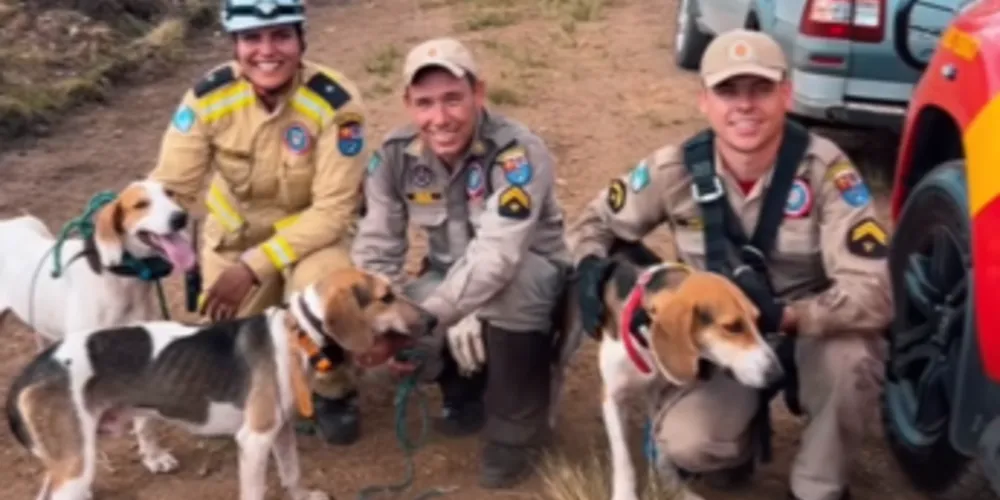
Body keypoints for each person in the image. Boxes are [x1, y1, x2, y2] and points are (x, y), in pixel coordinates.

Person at [567, 29, 892, 500]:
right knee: (689, 443)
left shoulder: (826, 172)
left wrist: (791, 317)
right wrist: (591, 267)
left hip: (808, 333)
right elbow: (591, 222)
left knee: (852, 359)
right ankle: (737, 444)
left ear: (786, 94)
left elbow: (876, 289)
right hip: (719, 341)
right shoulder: (673, 170)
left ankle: (817, 486)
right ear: (704, 101)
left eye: (760, 89)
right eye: (727, 91)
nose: (744, 105)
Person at [350, 37, 573, 489]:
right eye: (425, 103)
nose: (441, 118)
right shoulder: (394, 156)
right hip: (449, 274)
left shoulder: (516, 154)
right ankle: (463, 390)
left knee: (507, 291)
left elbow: (499, 257)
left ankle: (516, 431)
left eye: (453, 99)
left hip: (529, 277)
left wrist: (436, 316)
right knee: (395, 329)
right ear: (408, 104)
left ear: (479, 93)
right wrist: (386, 320)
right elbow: (376, 247)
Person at [146, 0, 370, 446]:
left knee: (324, 295)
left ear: (301, 40)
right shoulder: (209, 95)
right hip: (234, 239)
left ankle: (332, 391)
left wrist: (254, 267)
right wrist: (135, 223)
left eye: (281, 36)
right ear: (235, 45)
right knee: (235, 344)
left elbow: (333, 211)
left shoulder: (336, 103)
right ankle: (244, 398)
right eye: (252, 38)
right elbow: (173, 184)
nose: (267, 51)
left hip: (310, 241)